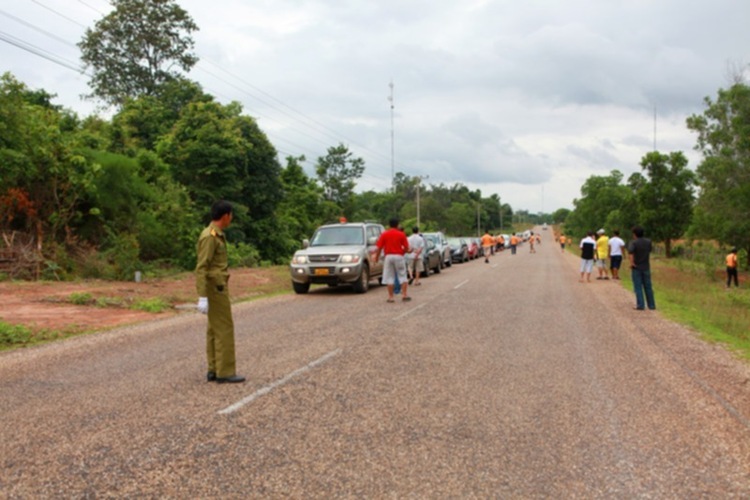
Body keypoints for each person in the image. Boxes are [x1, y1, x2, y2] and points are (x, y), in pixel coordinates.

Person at [195, 200, 245, 384]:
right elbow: (202, 267)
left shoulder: (215, 235)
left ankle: (214, 369)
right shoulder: (210, 236)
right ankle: (225, 372)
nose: (231, 219)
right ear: (225, 216)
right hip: (216, 288)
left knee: (213, 328)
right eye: (231, 215)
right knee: (224, 328)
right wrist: (202, 296)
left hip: (216, 286)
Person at [372, 218, 411, 302]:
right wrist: (404, 252)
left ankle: (391, 297)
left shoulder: (384, 234)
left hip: (388, 256)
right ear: (398, 225)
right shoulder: (401, 234)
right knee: (402, 275)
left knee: (389, 276)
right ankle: (404, 295)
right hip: (399, 256)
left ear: (389, 225)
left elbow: (379, 248)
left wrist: (377, 257)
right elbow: (406, 248)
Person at [628, 225, 656, 310]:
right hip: (646, 266)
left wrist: (632, 263)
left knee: (638, 286)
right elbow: (649, 250)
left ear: (635, 234)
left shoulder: (633, 243)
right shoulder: (648, 242)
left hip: (637, 267)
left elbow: (631, 253)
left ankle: (640, 304)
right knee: (648, 286)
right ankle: (651, 305)